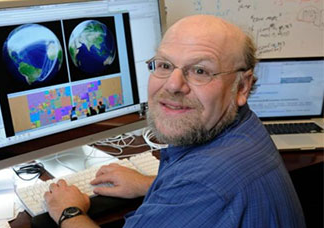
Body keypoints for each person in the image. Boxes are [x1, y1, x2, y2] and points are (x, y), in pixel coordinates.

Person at [44, 15, 305, 228]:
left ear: (242, 87)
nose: (173, 85)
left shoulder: (206, 183)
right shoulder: (244, 130)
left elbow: (208, 190)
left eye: (200, 71)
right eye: (165, 65)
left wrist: (68, 211)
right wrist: (151, 185)